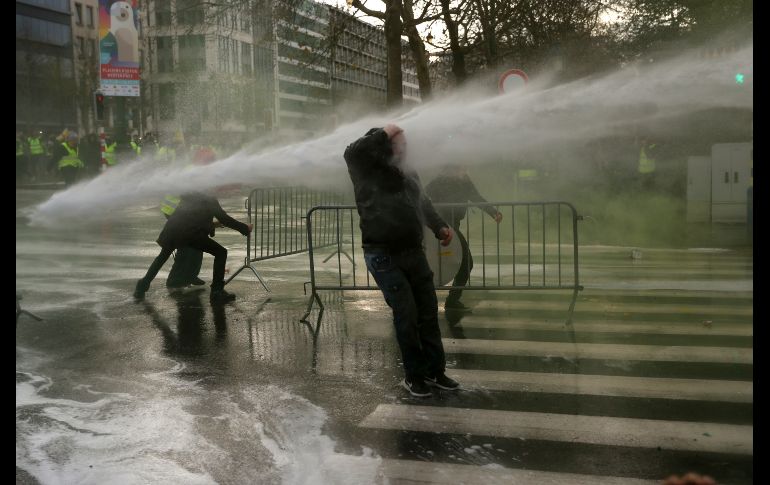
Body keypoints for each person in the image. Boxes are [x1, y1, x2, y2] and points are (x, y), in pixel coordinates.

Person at [344, 123, 459, 398]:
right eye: (399, 142)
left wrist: (439, 226)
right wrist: (384, 132)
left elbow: (423, 202)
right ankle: (414, 376)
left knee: (428, 311)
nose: (405, 147)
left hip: (413, 251)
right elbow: (352, 152)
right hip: (383, 253)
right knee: (406, 315)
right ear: (384, 144)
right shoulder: (365, 168)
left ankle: (435, 371)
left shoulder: (408, 171)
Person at [133, 191, 253, 304]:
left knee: (162, 257)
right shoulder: (209, 197)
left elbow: (195, 217)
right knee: (221, 252)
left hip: (173, 228)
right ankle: (217, 292)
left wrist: (213, 225)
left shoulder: (191, 193)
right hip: (189, 233)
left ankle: (141, 286)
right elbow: (224, 218)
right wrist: (244, 229)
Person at [425, 165, 502, 311]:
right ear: (453, 169)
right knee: (466, 263)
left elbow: (475, 197)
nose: (465, 171)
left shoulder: (462, 180)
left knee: (450, 263)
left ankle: (448, 300)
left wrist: (492, 212)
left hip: (446, 226)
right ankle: (449, 301)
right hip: (443, 226)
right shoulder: (440, 181)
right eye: (462, 168)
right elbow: (422, 198)